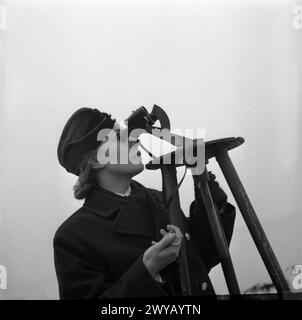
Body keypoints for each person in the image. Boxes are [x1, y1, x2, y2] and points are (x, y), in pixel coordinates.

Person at [53, 107, 236, 299]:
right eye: (118, 136)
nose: (134, 138)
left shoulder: (159, 199)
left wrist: (206, 188)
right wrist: (147, 269)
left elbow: (202, 259)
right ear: (97, 160)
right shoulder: (73, 237)